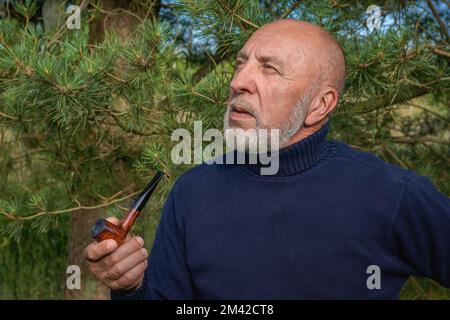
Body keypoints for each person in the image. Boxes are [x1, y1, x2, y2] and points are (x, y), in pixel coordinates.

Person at [84, 19, 450, 299]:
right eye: (241, 63)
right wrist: (130, 287)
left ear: (320, 105)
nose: (239, 81)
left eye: (269, 68)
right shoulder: (193, 192)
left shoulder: (393, 196)